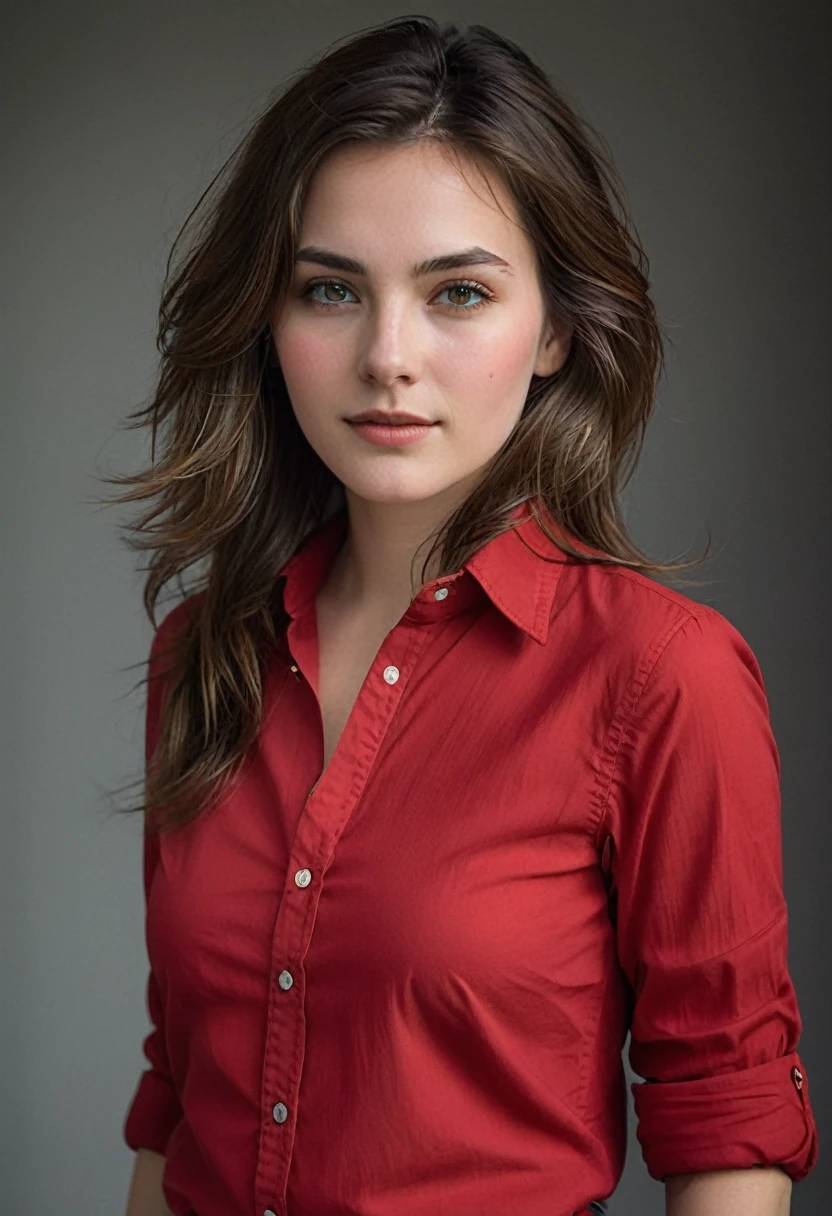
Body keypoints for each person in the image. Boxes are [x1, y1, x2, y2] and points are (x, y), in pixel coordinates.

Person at [107, 15, 818, 1216]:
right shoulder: (202, 657)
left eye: (458, 293)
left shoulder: (663, 676)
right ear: (268, 326)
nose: (388, 355)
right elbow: (176, 1097)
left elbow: (726, 1121)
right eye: (329, 288)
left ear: (551, 330)